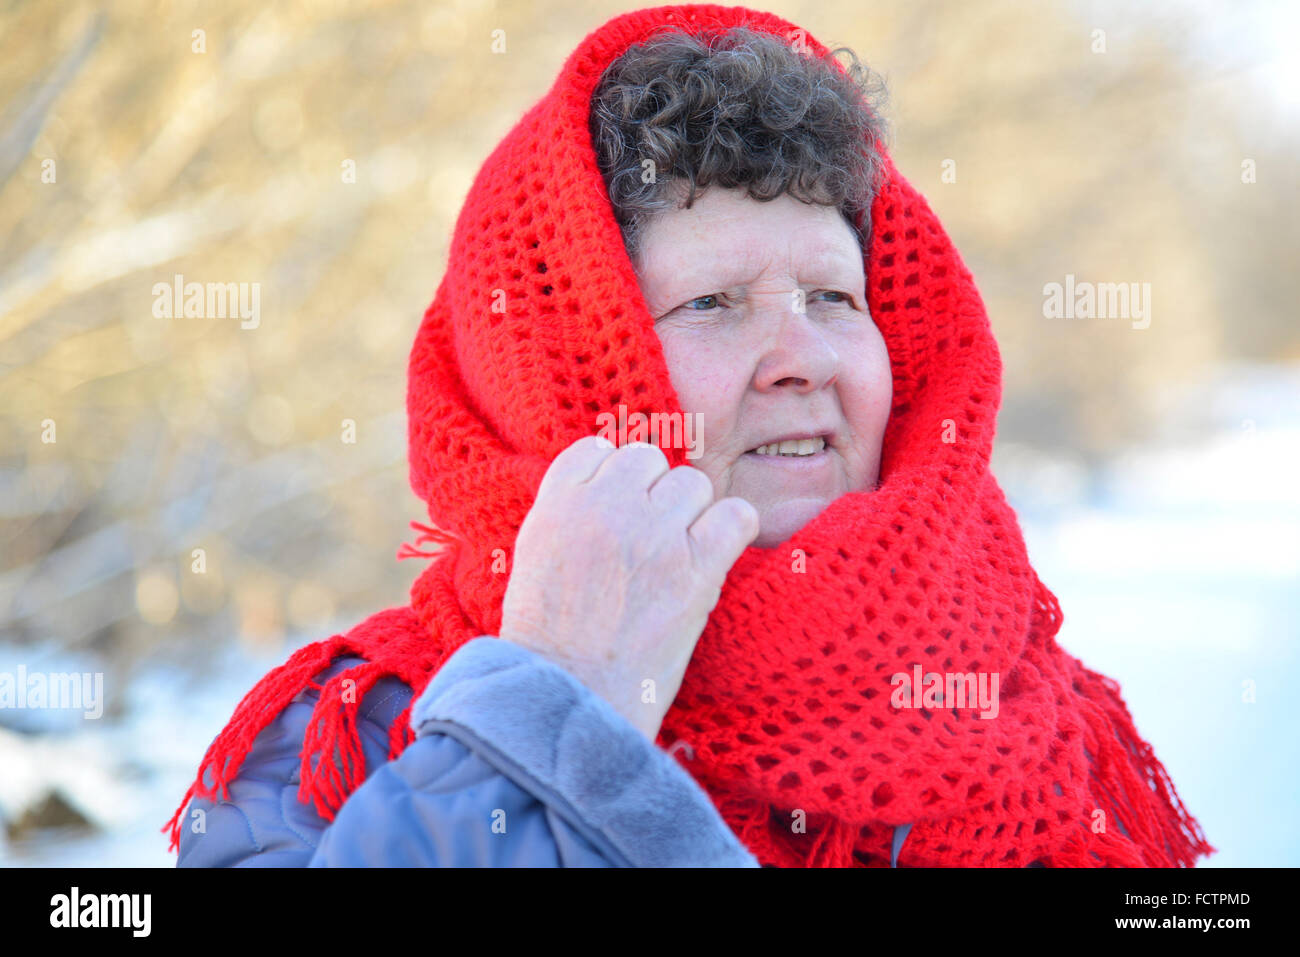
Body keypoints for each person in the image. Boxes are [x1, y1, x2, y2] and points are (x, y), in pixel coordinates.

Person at [166, 3, 1214, 868]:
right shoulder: (346, 745)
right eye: (713, 303)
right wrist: (549, 711)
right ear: (561, 371)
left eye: (833, 297)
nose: (800, 354)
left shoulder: (1036, 713)